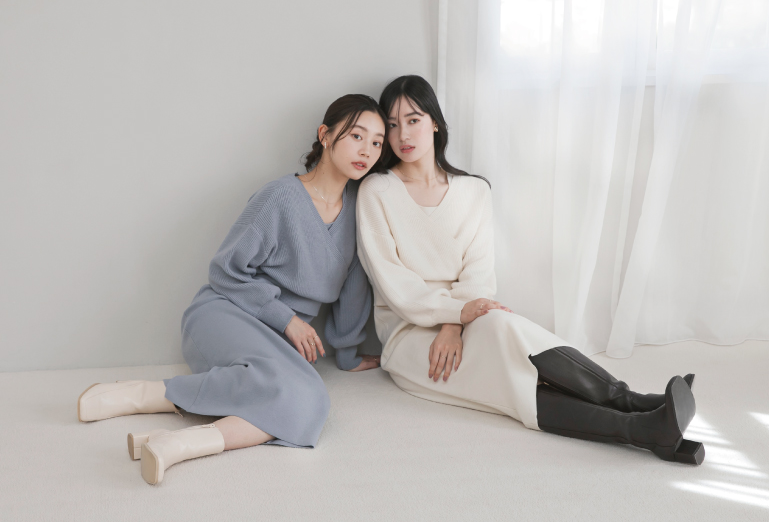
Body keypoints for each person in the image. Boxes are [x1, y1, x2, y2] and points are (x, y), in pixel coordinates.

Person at [355, 75, 704, 465]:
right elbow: (395, 284)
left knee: (504, 326)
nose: (402, 134)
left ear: (434, 122)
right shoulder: (377, 191)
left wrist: (455, 322)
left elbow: (478, 272)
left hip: (467, 316)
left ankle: (634, 404)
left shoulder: (473, 191)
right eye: (392, 124)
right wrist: (454, 315)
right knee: (510, 386)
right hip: (410, 333)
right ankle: (644, 425)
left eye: (413, 120)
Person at [77, 94, 386, 485]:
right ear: (325, 135)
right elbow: (225, 272)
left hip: (275, 346)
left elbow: (353, 291)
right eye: (357, 136)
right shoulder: (280, 197)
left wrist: (347, 354)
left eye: (377, 142)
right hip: (224, 315)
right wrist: (287, 319)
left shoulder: (360, 211)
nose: (367, 150)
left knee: (308, 402)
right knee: (303, 391)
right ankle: (143, 394)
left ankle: (175, 444)